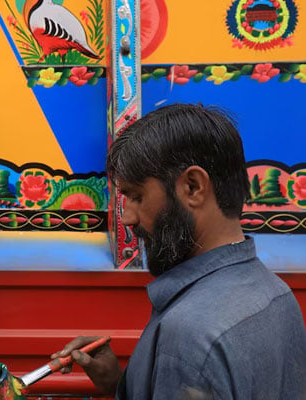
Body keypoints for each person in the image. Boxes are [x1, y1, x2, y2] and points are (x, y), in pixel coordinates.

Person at [52, 104, 306, 399]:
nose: (128, 217)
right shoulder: (278, 295)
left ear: (193, 187)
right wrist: (124, 385)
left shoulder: (189, 336)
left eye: (137, 196)